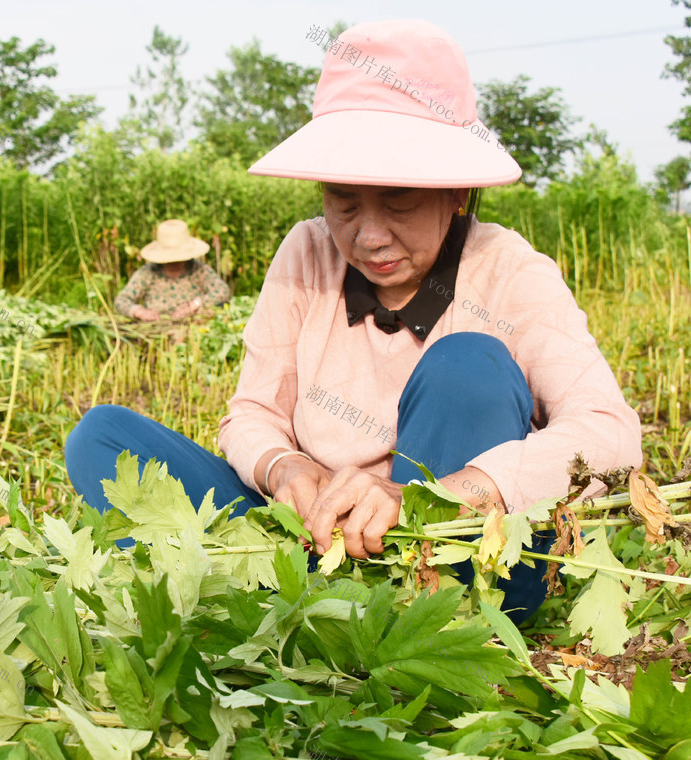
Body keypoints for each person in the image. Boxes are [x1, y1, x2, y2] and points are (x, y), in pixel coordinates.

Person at [65, 20, 642, 623]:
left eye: (399, 203)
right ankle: (309, 607)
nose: (368, 237)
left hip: (454, 552)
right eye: (343, 202)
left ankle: (416, 618)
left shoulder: (508, 270)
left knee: (469, 366)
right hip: (312, 541)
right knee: (101, 436)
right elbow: (253, 414)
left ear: (457, 193)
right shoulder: (306, 253)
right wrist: (284, 467)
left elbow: (611, 435)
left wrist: (426, 498)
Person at [114, 219, 230, 321]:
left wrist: (194, 305)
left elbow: (222, 291)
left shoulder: (199, 270)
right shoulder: (147, 273)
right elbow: (121, 300)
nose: (174, 262)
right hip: (156, 329)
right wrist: (139, 311)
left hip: (194, 328)